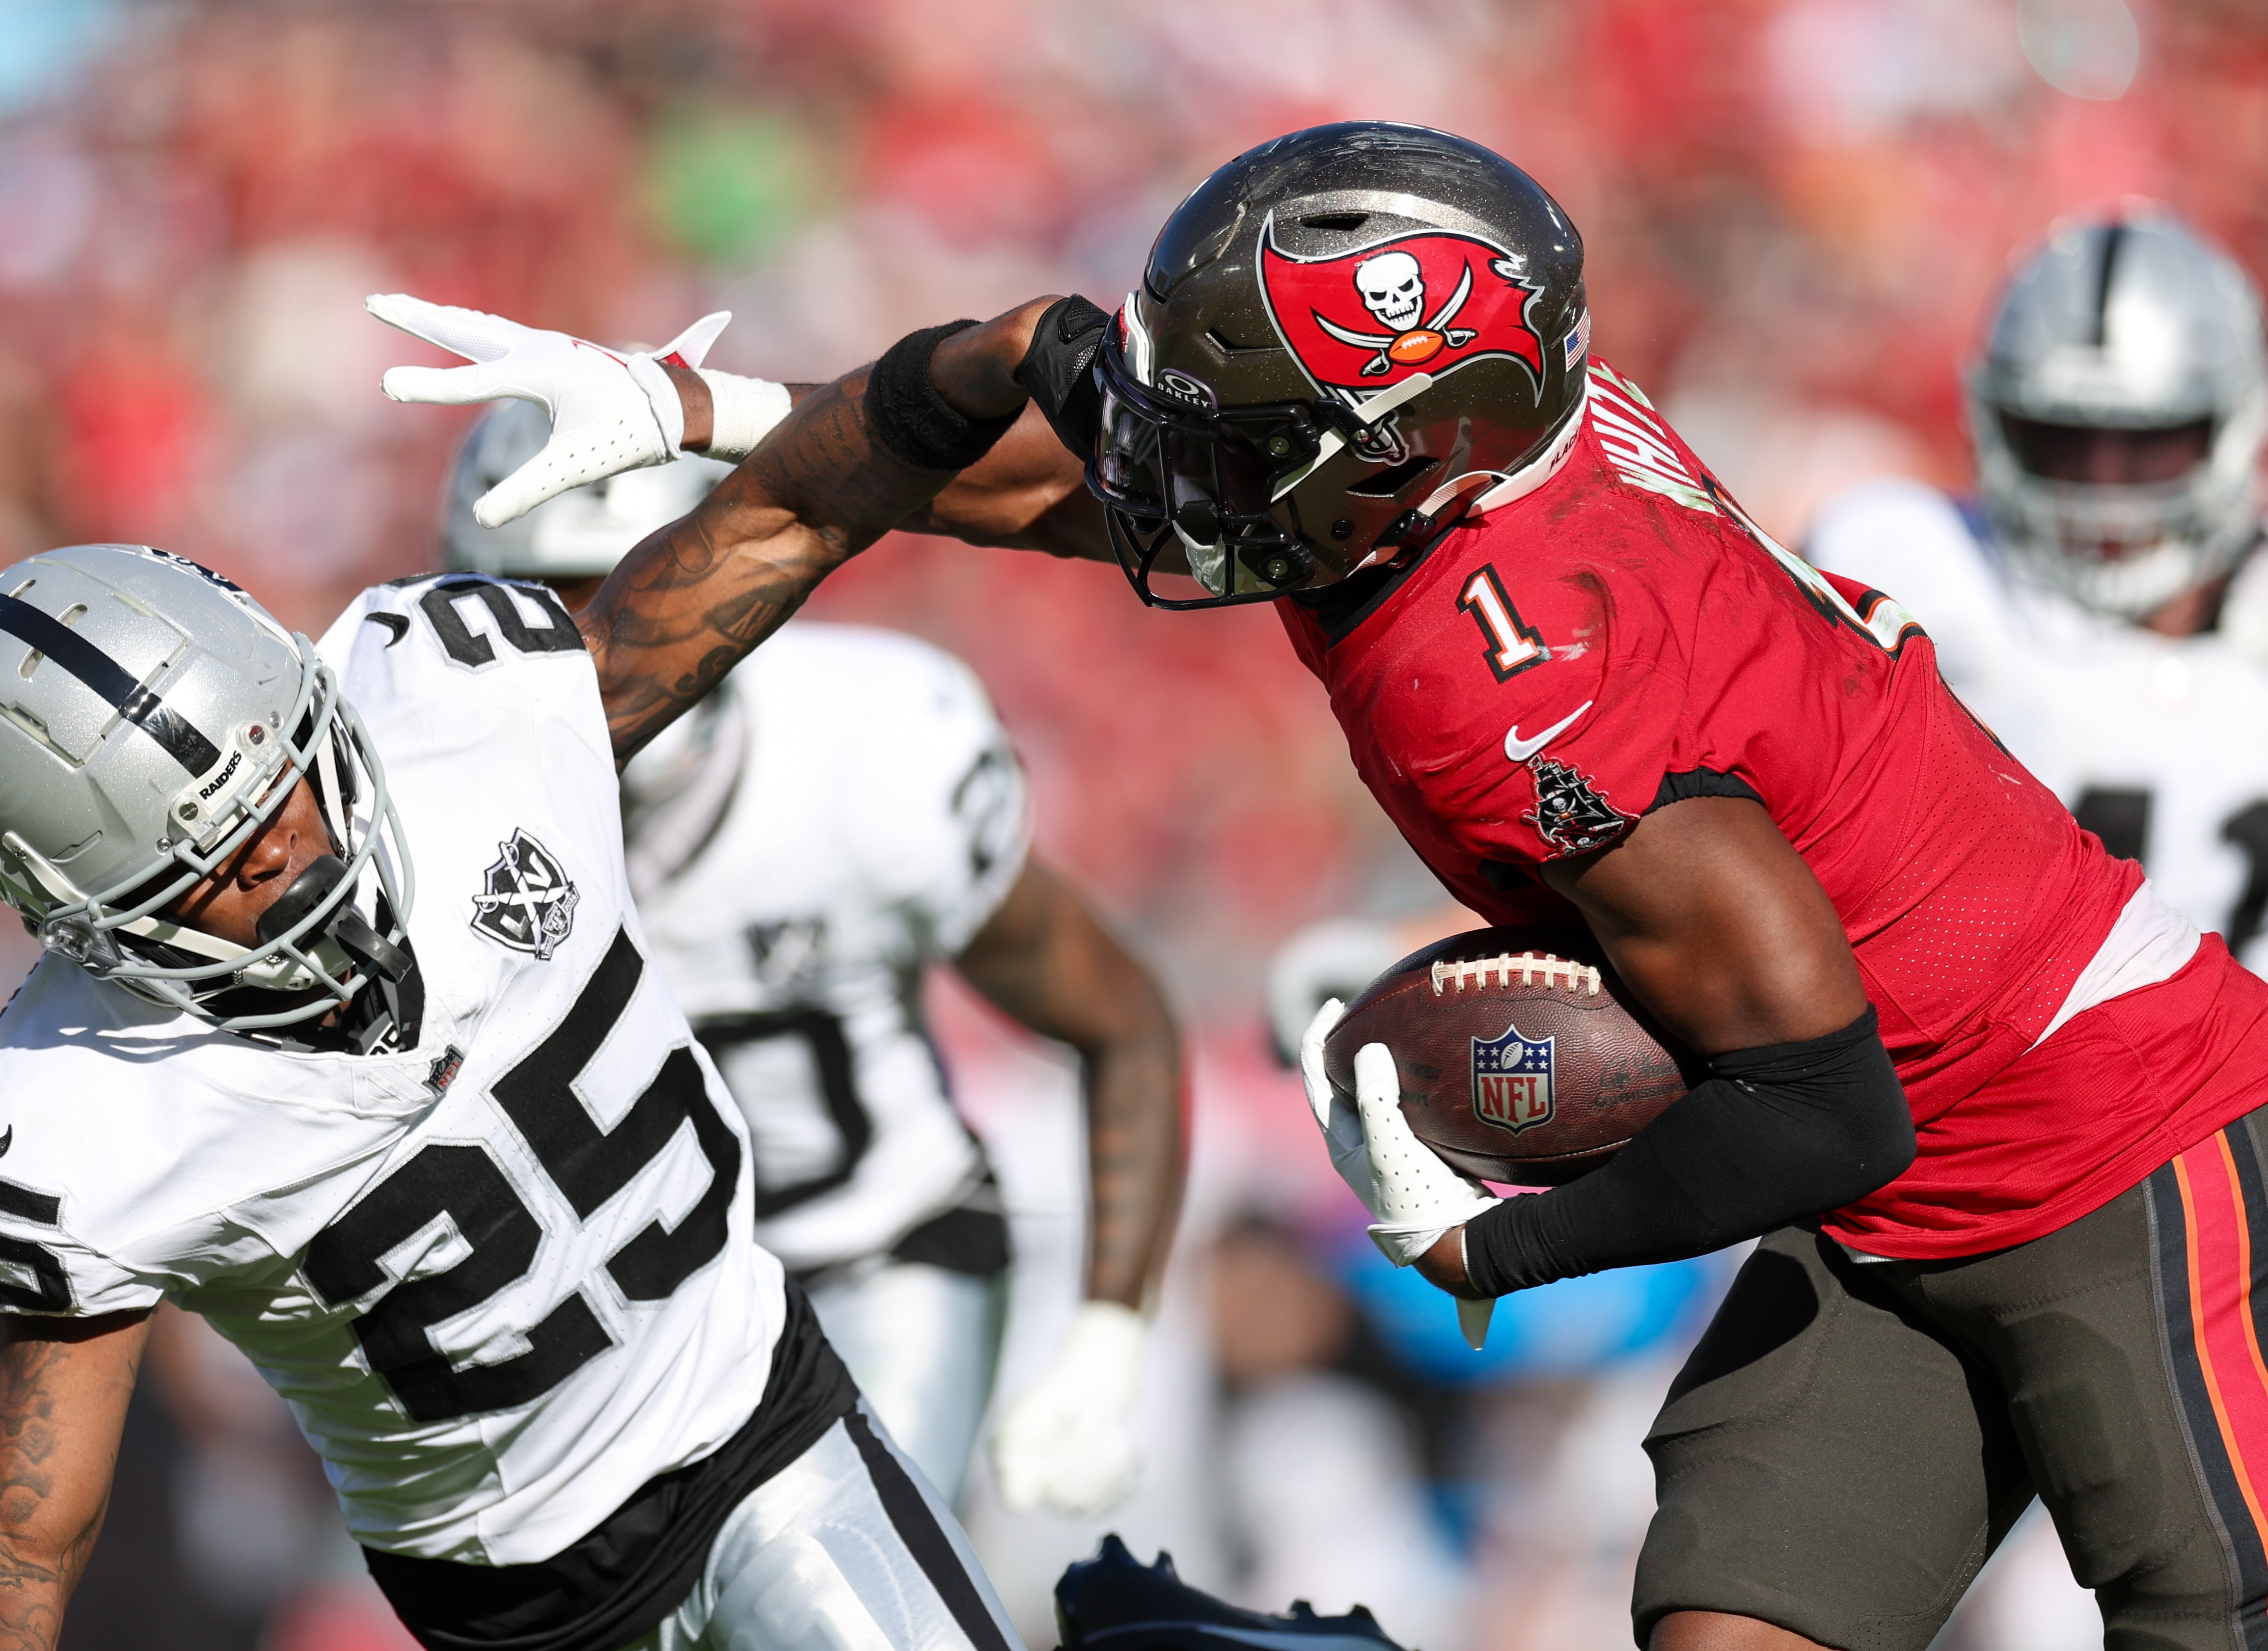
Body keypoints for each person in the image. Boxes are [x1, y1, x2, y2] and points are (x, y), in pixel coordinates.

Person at [370, 120, 2268, 1649]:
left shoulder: (1510, 665)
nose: (1176, 454)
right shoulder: (1431, 485)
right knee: (1730, 1623)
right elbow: (1041, 456)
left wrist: (1485, 1248)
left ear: (1413, 460)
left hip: (2122, 1147)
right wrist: (722, 420)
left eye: (1236, 426)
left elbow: (1825, 1104)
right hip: (1894, 1187)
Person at [0, 541, 1022, 1651]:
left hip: (758, 1418)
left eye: (278, 791)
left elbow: (794, 508)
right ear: (84, 920)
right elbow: (9, 1545)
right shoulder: (74, 1119)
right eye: (204, 868)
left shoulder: (465, 715)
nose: (284, 864)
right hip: (526, 1609)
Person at [435, 401, 1186, 1512]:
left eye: (607, 593)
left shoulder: (866, 753)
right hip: (629, 1330)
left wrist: (1104, 1343)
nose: (574, 649)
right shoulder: (419, 814)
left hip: (877, 1255)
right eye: (522, 607)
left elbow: (1121, 1021)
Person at [1806, 211, 2268, 968]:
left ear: (2229, 429)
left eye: (2150, 440)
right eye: (2061, 436)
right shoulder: (1913, 567)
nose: (2103, 482)